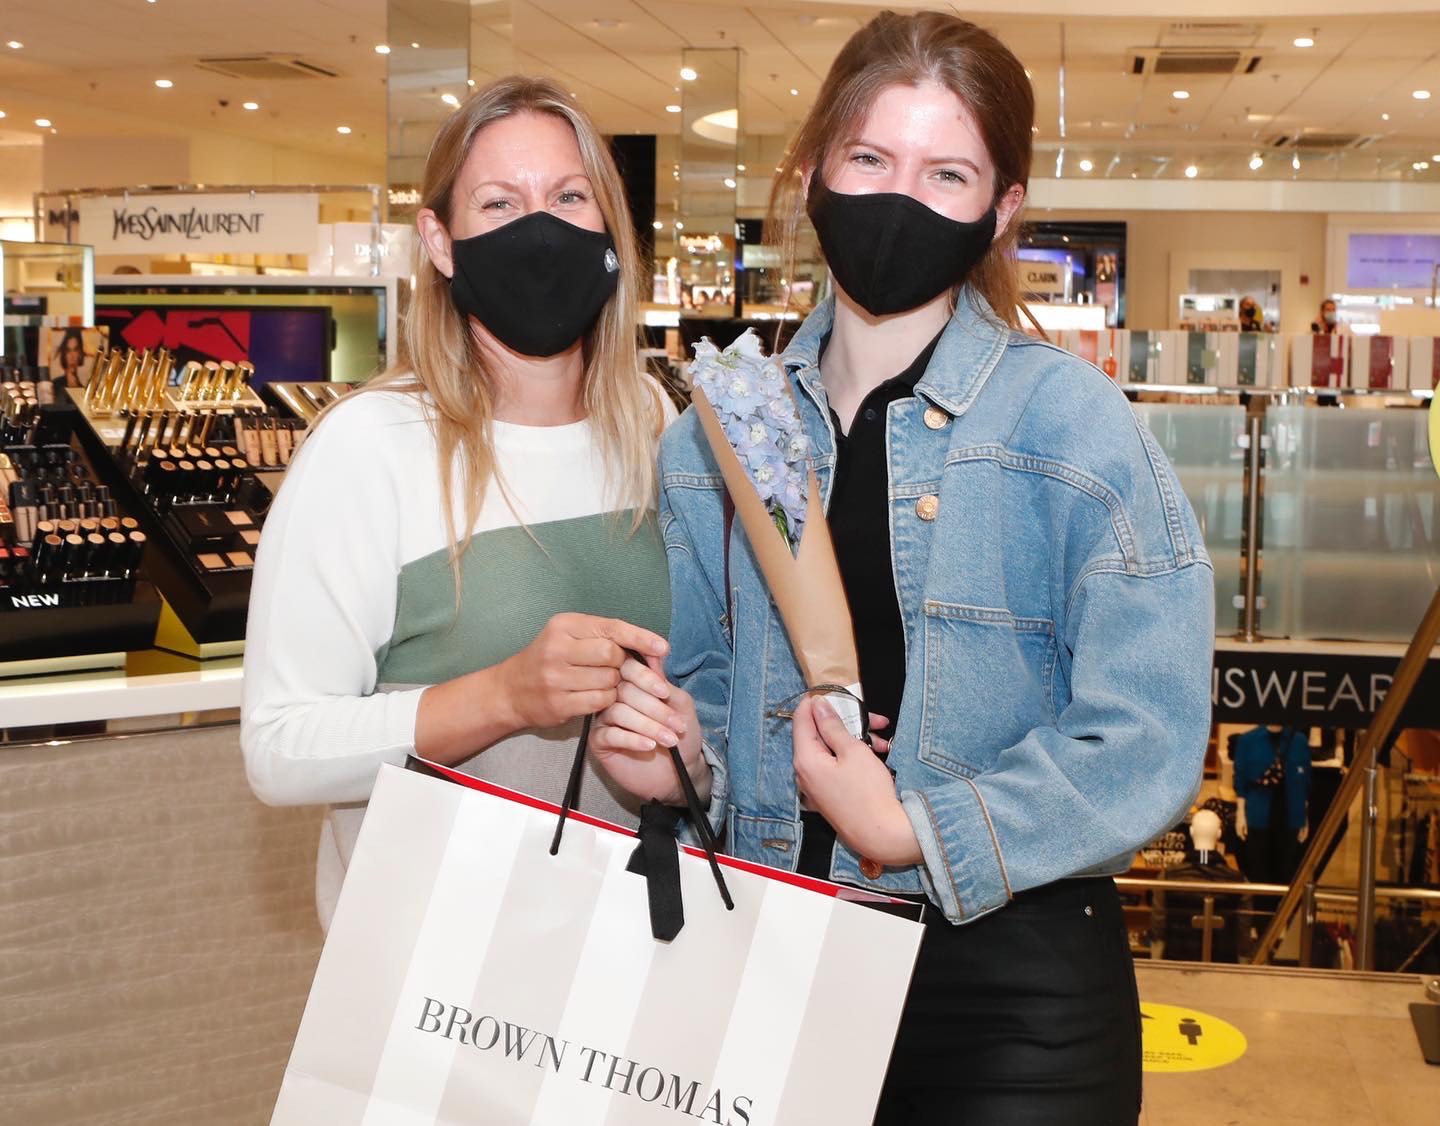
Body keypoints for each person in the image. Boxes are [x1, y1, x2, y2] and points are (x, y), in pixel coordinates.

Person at [589, 12, 1214, 1124]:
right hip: (770, 954)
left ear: (1001, 207)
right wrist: (678, 765)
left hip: (1010, 988)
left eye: (947, 172)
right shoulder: (721, 431)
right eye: (870, 159)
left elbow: (1148, 731)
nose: (898, 199)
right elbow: (717, 701)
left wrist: (913, 829)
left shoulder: (1074, 428)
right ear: (816, 169)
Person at [240, 75, 692, 928]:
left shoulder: (651, 426)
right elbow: (280, 750)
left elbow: (688, 684)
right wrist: (505, 697)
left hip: (631, 951)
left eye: (569, 196)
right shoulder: (370, 448)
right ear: (441, 243)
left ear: (611, 231)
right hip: (437, 966)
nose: (540, 228)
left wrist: (689, 762)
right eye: (498, 203)